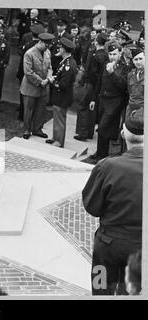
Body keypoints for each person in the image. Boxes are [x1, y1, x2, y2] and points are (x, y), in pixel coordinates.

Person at [82, 107, 143, 295]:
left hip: (107, 245)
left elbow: (92, 206)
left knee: (100, 289)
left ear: (123, 132)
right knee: (131, 291)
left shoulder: (107, 166)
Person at [91, 43, 130, 161]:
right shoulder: (105, 64)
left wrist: (112, 72)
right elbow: (100, 82)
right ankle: (100, 153)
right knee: (101, 128)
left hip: (114, 101)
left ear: (120, 53)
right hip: (103, 99)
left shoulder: (125, 68)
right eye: (110, 54)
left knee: (103, 128)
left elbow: (123, 86)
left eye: (115, 54)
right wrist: (93, 98)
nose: (112, 56)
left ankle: (102, 156)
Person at [75, 32, 108, 141]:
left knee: (83, 107)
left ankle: (83, 133)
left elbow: (94, 75)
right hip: (99, 86)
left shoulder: (96, 57)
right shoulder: (105, 55)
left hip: (91, 85)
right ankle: (89, 131)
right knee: (91, 109)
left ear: (96, 42)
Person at [20, 33, 54, 140]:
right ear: (41, 42)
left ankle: (37, 129)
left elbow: (50, 67)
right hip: (31, 86)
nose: (47, 48)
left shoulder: (47, 52)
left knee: (40, 109)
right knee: (29, 110)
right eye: (46, 45)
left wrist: (48, 77)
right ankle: (27, 129)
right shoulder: (29, 53)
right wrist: (40, 81)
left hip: (43, 86)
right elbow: (28, 72)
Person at [46, 38, 78, 148]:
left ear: (64, 49)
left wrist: (52, 81)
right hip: (59, 96)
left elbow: (64, 85)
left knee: (59, 119)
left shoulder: (68, 65)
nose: (58, 49)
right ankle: (55, 138)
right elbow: (62, 77)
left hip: (62, 96)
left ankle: (59, 142)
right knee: (56, 118)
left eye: (60, 47)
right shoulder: (65, 61)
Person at [16, 23, 45, 121]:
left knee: (24, 95)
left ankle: (22, 115)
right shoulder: (43, 47)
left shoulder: (28, 46)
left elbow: (21, 55)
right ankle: (33, 117)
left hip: (25, 72)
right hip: (38, 75)